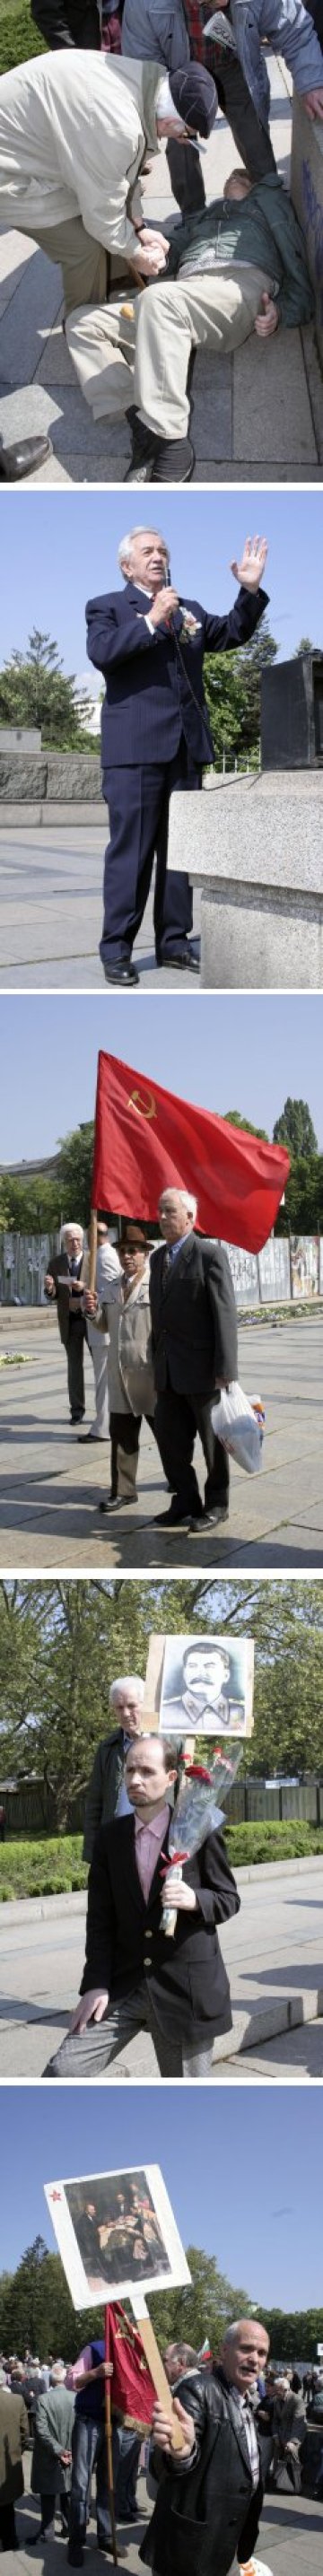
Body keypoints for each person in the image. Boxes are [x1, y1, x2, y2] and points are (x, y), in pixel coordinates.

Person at [85, 522, 268, 983]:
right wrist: (149, 620)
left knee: (178, 855)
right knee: (132, 854)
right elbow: (103, 653)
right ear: (127, 565)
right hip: (135, 751)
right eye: (147, 550)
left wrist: (250, 591)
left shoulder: (189, 610)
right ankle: (117, 949)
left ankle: (173, 943)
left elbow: (230, 633)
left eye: (163, 549)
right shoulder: (107, 607)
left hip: (185, 749)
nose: (158, 556)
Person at [73, 166, 314, 479]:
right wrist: (158, 254)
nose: (231, 178)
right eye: (228, 177)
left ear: (252, 187)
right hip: (185, 296)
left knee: (157, 300)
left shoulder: (266, 207)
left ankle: (171, 440)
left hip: (238, 285)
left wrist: (281, 311)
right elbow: (173, 250)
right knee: (82, 322)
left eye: (240, 177)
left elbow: (297, 267)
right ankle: (136, 410)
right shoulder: (204, 215)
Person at [43, 1731, 240, 2080]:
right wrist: (95, 1983)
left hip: (184, 1990)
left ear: (171, 1777)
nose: (135, 1780)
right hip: (124, 1986)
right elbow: (100, 1920)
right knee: (64, 2070)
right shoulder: (110, 1838)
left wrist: (195, 1900)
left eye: (147, 1772)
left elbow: (228, 1898)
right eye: (131, 1770)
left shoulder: (200, 1828)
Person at [0, 56, 217, 325]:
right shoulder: (116, 127)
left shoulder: (148, 83)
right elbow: (102, 213)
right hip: (10, 171)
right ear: (170, 121)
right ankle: (85, 326)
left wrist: (138, 227)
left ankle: (117, 284)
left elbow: (122, 173)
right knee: (83, 247)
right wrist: (135, 252)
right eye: (186, 134)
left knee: (111, 227)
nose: (183, 140)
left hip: (40, 149)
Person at [141, 2317, 272, 2576]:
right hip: (190, 2549)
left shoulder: (248, 2403)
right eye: (246, 2348)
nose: (254, 2359)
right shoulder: (198, 2389)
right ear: (225, 2350)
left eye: (262, 2353)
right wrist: (182, 2455)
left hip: (227, 2542)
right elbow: (169, 2462)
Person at [121, 0, 276, 217]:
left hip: (232, 67)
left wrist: (312, 82)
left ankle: (273, 206)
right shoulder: (143, 5)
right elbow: (144, 65)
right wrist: (168, 111)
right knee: (180, 146)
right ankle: (193, 217)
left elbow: (293, 28)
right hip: (178, 74)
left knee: (254, 135)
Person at [149, 1186, 238, 1531]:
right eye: (159, 1210)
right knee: (170, 1442)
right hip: (167, 1370)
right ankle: (185, 1500)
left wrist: (226, 1369)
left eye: (169, 1211)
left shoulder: (209, 1255)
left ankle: (216, 1505)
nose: (162, 1217)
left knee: (212, 1444)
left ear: (190, 1216)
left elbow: (224, 1315)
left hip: (203, 1371)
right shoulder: (158, 1259)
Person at [84, 1225, 157, 1504]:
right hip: (120, 1375)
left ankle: (180, 1486)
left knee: (169, 1437)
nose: (127, 1256)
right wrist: (92, 1311)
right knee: (122, 1438)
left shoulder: (156, 1285)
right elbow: (103, 1324)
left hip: (149, 1375)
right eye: (123, 1251)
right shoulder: (113, 1287)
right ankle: (123, 1492)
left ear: (144, 1254)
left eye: (133, 1251)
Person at [65, 2343, 118, 2567]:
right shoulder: (96, 2348)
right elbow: (71, 2381)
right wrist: (96, 2373)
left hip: (114, 2423)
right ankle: (76, 2542)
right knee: (81, 2485)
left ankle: (105, 2537)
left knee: (108, 2485)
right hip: (88, 2422)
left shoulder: (132, 2351)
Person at [83, 1672, 145, 1862]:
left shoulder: (169, 1744)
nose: (126, 1713)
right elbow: (95, 1803)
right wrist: (93, 1853)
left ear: (146, 1704)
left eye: (132, 1706)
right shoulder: (107, 1749)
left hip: (159, 1842)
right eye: (119, 1707)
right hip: (118, 1842)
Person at [78, 1221, 121, 1444]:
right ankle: (105, 1425)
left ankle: (102, 1428)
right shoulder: (101, 1255)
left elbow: (115, 1288)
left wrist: (96, 1301)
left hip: (103, 1330)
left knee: (103, 1382)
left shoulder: (106, 1256)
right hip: (100, 1328)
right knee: (103, 1381)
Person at [44, 1224, 87, 1424]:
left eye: (77, 1239)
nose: (75, 1243)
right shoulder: (56, 1263)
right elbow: (52, 1295)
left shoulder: (93, 1259)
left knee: (102, 1365)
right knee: (74, 1368)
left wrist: (84, 1287)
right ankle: (77, 1411)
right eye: (70, 1240)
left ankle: (106, 1412)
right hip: (70, 1322)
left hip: (93, 1319)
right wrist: (51, 1288)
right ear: (64, 1242)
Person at [28, 2366, 74, 2545]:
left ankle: (48, 2532)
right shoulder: (75, 2398)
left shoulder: (43, 2400)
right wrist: (66, 2451)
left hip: (50, 2454)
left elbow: (41, 2430)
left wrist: (59, 2450)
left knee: (49, 2495)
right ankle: (68, 2528)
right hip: (69, 2453)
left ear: (50, 2380)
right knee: (67, 2492)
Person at [163, 1639, 245, 1731]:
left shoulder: (241, 1713)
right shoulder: (165, 1713)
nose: (200, 1673)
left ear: (226, 1675)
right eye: (193, 1666)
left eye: (209, 1666)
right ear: (184, 1674)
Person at [0, 2364, 30, 2552]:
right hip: (8, 2462)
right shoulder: (16, 2400)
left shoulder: (16, 2399)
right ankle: (10, 2542)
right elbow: (24, 2433)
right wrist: (18, 2451)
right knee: (7, 2507)